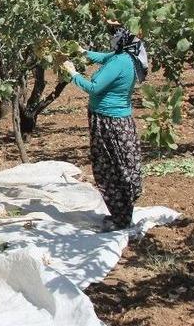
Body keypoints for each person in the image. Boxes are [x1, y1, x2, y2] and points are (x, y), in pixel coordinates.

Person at [62, 22, 148, 232]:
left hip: (109, 123)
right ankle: (122, 214)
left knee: (110, 168)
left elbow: (94, 88)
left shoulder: (119, 62)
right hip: (120, 121)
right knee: (120, 167)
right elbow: (104, 57)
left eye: (114, 35)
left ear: (122, 38)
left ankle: (120, 219)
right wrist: (83, 52)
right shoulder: (128, 57)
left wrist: (72, 73)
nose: (111, 38)